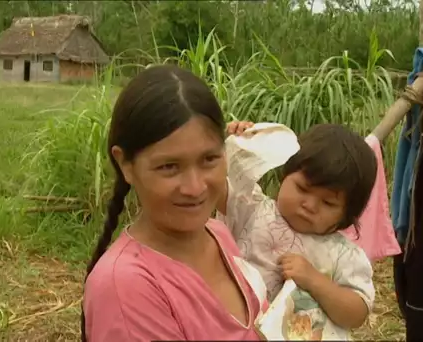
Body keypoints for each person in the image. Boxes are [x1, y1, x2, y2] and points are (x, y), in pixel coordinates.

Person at [81, 66, 269, 342]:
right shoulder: (126, 288)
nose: (195, 188)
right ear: (125, 165)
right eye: (169, 166)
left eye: (209, 159)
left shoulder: (216, 233)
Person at [217, 121, 378, 340]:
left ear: (347, 215)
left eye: (328, 203)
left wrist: (314, 280)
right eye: (302, 188)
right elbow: (214, 188)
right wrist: (238, 147)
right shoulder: (252, 209)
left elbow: (356, 314)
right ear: (284, 176)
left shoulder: (344, 255)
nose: (310, 205)